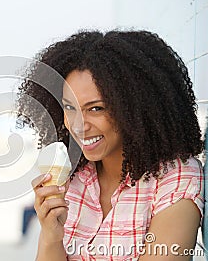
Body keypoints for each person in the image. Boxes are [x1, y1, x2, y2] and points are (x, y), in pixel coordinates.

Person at [16, 30, 204, 260]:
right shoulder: (73, 179)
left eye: (96, 108)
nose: (79, 125)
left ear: (134, 107)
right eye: (70, 107)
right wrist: (50, 235)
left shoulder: (175, 179)